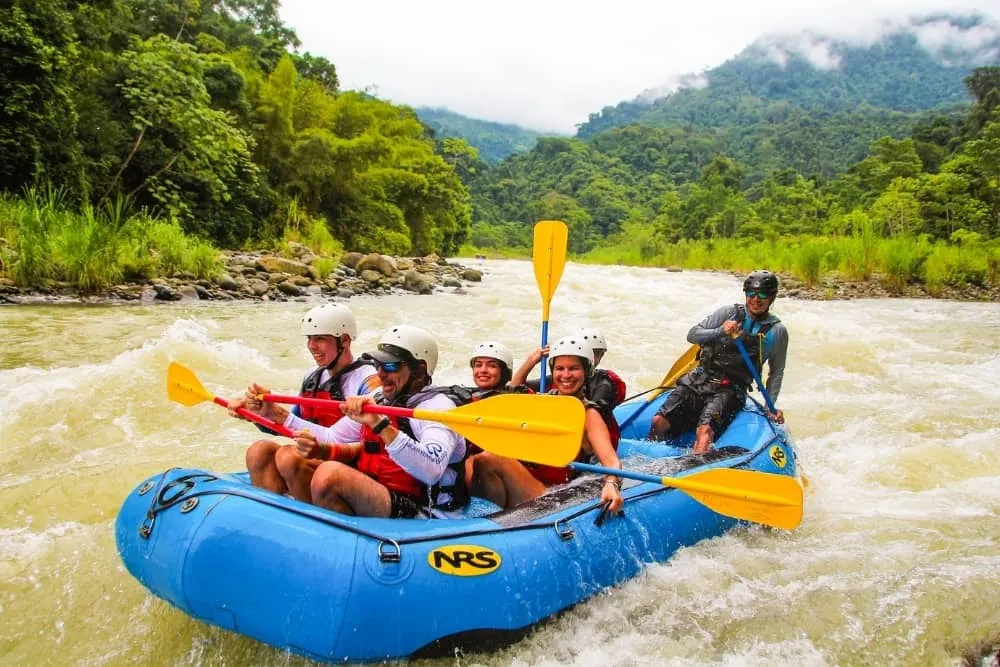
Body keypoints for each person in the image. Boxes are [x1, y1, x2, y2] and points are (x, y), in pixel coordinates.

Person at [258, 325, 469, 518]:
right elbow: (332, 436)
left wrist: (380, 426)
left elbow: (431, 470)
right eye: (378, 365)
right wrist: (276, 414)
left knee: (329, 475)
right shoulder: (381, 400)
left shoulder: (438, 409)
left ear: (419, 371)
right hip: (381, 490)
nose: (381, 374)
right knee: (265, 451)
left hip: (424, 510)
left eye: (391, 366)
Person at [232, 304, 379, 502]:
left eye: (320, 339)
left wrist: (277, 414)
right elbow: (291, 424)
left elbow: (340, 439)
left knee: (289, 457)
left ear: (344, 340)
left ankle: (313, 520)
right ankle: (275, 518)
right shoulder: (313, 376)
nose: (311, 346)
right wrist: (256, 414)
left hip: (352, 467)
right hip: (317, 458)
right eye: (309, 338)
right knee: (259, 451)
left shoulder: (369, 380)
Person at [468, 335, 625, 513]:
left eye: (573, 368)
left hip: (551, 496)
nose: (565, 375)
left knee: (489, 459)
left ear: (586, 371)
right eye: (560, 368)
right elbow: (511, 392)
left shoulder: (588, 414)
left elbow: (611, 461)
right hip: (530, 480)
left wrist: (611, 484)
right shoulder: (544, 400)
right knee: (473, 460)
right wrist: (531, 360)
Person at [648, 270, 789, 454]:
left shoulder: (777, 331)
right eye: (751, 294)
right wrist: (720, 331)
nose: (756, 299)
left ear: (771, 298)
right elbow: (692, 335)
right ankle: (649, 460)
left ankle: (693, 469)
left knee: (704, 431)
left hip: (730, 389)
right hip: (699, 379)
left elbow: (776, 372)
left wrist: (770, 406)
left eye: (762, 294)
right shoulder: (727, 313)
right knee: (658, 422)